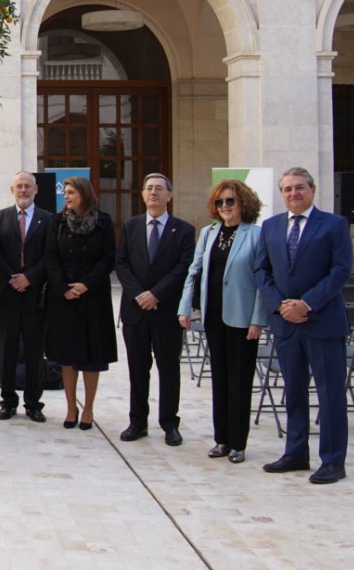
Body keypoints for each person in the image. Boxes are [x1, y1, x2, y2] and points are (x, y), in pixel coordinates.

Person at [255, 167, 353, 485]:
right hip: (286, 323)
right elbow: (261, 271)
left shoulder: (334, 224)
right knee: (294, 392)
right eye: (287, 189)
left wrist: (306, 304)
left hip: (322, 321)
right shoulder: (270, 226)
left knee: (330, 394)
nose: (293, 193)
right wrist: (281, 306)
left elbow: (341, 270)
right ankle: (296, 452)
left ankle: (333, 461)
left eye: (299, 187)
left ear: (313, 190)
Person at [178, 179, 268, 464]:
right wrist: (184, 308)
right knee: (220, 379)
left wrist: (258, 319)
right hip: (214, 316)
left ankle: (238, 442)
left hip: (243, 318)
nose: (225, 206)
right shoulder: (208, 233)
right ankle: (222, 439)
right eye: (220, 202)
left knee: (240, 380)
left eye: (230, 201)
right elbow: (194, 271)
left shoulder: (256, 235)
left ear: (244, 204)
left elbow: (263, 279)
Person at [116, 173, 195, 446]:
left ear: (169, 195)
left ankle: (170, 423)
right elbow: (121, 263)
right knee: (138, 369)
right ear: (142, 194)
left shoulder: (184, 230)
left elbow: (183, 267)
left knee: (168, 369)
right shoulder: (131, 226)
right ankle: (137, 422)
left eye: (159, 189)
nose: (153, 193)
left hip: (166, 311)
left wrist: (156, 294)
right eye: (149, 188)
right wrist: (140, 294)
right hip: (136, 310)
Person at [44, 176, 116, 431]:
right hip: (63, 297)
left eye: (71, 192)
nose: (66, 196)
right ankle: (71, 408)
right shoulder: (57, 222)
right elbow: (50, 257)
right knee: (67, 355)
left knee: (91, 356)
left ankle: (88, 408)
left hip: (93, 296)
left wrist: (85, 285)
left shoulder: (103, 221)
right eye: (65, 192)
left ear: (84, 195)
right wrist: (63, 288)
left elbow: (108, 258)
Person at [0, 171, 51, 423]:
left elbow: (50, 255)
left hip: (35, 295)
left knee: (34, 351)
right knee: (6, 349)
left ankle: (33, 403)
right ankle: (8, 402)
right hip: (7, 295)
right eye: (19, 186)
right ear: (12, 189)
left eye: (28, 186)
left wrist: (29, 278)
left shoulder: (48, 219)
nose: (23, 190)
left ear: (36, 189)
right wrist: (12, 277)